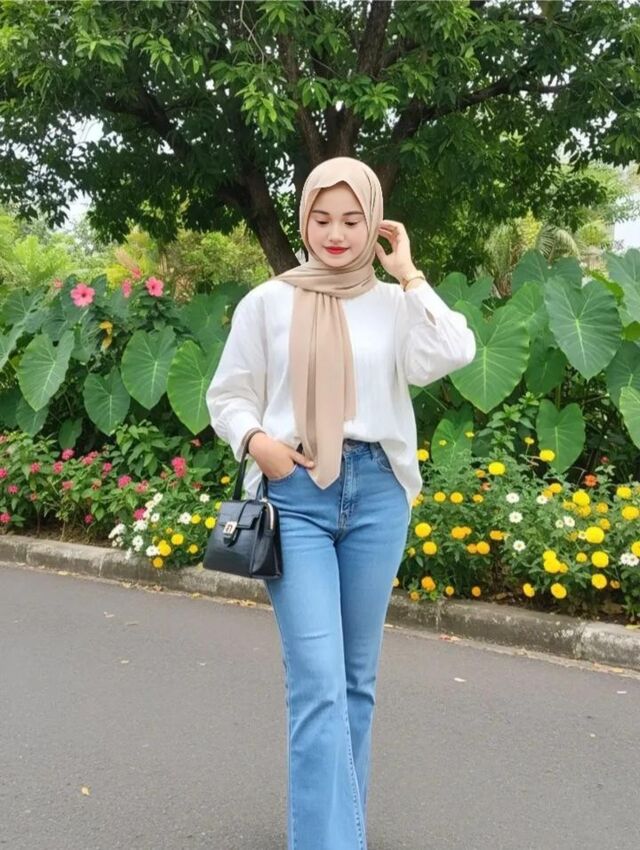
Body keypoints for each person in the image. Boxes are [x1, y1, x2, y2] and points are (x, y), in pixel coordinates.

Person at [205, 156, 476, 850]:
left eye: (353, 220)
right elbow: (227, 394)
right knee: (318, 682)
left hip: (377, 494)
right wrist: (258, 442)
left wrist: (409, 274)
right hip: (295, 495)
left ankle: (336, 835)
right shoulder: (268, 303)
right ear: (303, 221)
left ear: (374, 223)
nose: (335, 233)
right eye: (322, 218)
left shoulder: (394, 305)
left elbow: (454, 351)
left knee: (357, 681)